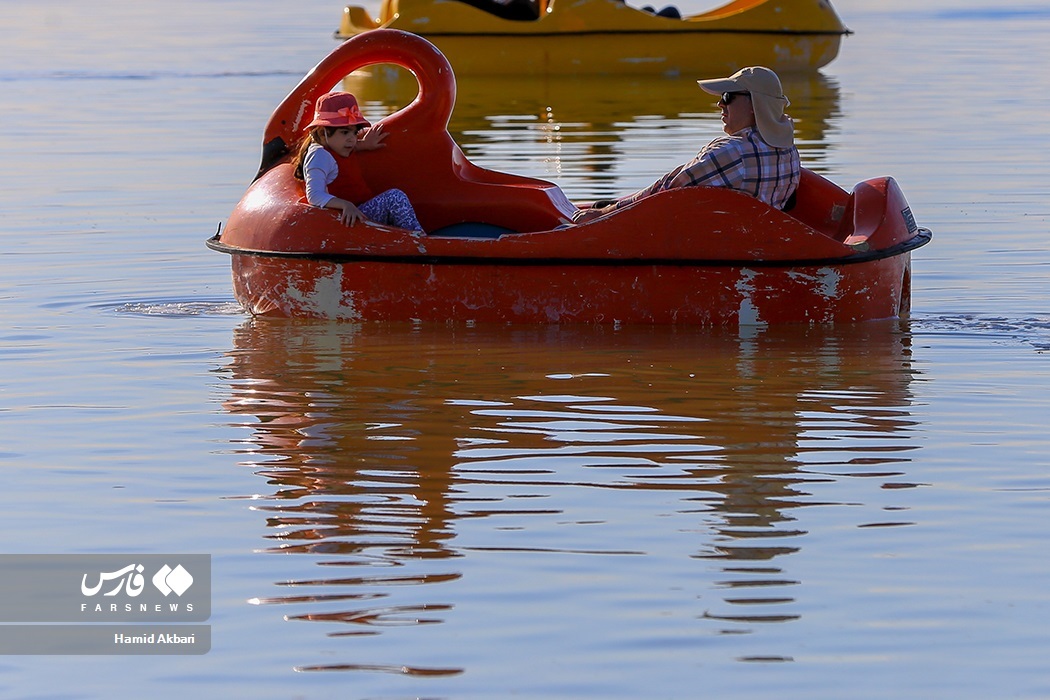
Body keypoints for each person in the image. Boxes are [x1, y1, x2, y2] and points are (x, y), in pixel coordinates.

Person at [572, 66, 800, 224]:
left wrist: (606, 211)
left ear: (754, 105)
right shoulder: (787, 148)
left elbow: (666, 190)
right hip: (759, 239)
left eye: (728, 96)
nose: (720, 103)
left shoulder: (732, 152)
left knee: (573, 223)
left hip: (716, 243)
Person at [293, 91, 424, 232]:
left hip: (358, 211)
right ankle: (420, 240)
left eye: (354, 133)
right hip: (348, 218)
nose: (352, 139)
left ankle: (409, 238)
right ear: (321, 133)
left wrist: (364, 144)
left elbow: (348, 146)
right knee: (394, 197)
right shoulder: (319, 156)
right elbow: (314, 195)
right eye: (345, 132)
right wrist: (345, 205)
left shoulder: (334, 147)